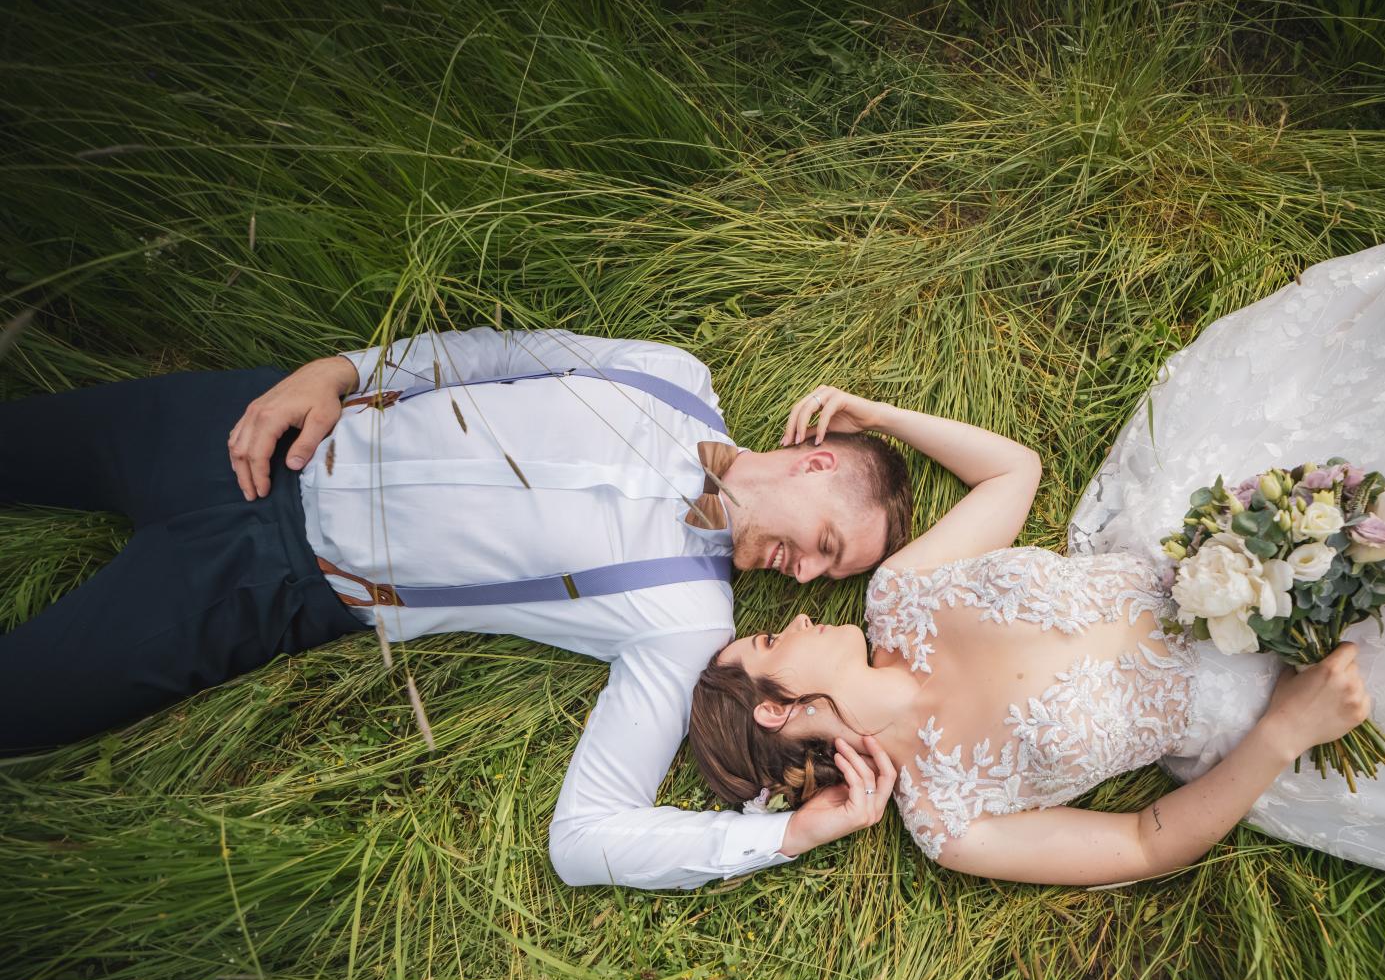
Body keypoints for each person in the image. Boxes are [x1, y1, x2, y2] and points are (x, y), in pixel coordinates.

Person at [690, 190, 1385, 980]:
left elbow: (1015, 472)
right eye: (766, 644)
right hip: (1268, 697)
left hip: (1222, 550)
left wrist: (881, 416)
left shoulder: (900, 600)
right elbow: (1143, 842)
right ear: (779, 709)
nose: (787, 616)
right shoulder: (952, 823)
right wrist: (1286, 730)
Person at [0, 326, 925, 889]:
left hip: (265, 583)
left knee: (20, 699)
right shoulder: (669, 374)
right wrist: (338, 369)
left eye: (824, 579)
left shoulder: (687, 621)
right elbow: (494, 357)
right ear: (817, 462)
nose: (803, 577)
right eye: (827, 546)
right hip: (252, 422)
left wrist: (785, 833)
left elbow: (587, 833)